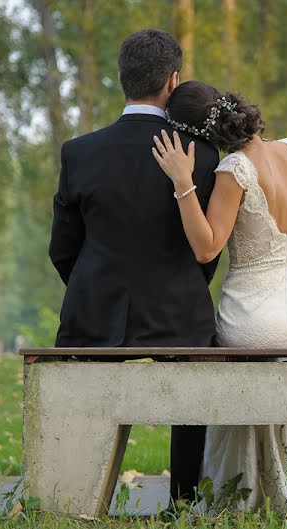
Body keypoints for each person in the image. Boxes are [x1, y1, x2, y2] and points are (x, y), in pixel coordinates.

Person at [48, 29, 220, 509]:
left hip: (93, 316)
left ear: (122, 79)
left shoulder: (79, 152)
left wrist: (93, 288)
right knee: (193, 367)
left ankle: (72, 497)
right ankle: (183, 504)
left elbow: (63, 248)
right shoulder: (201, 155)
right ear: (173, 81)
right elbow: (207, 249)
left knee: (79, 376)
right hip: (179, 316)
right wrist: (183, 288)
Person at [152, 80, 287, 521]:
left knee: (223, 351)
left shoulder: (233, 170)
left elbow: (207, 247)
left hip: (257, 319)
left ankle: (237, 490)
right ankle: (279, 480)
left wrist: (182, 182)